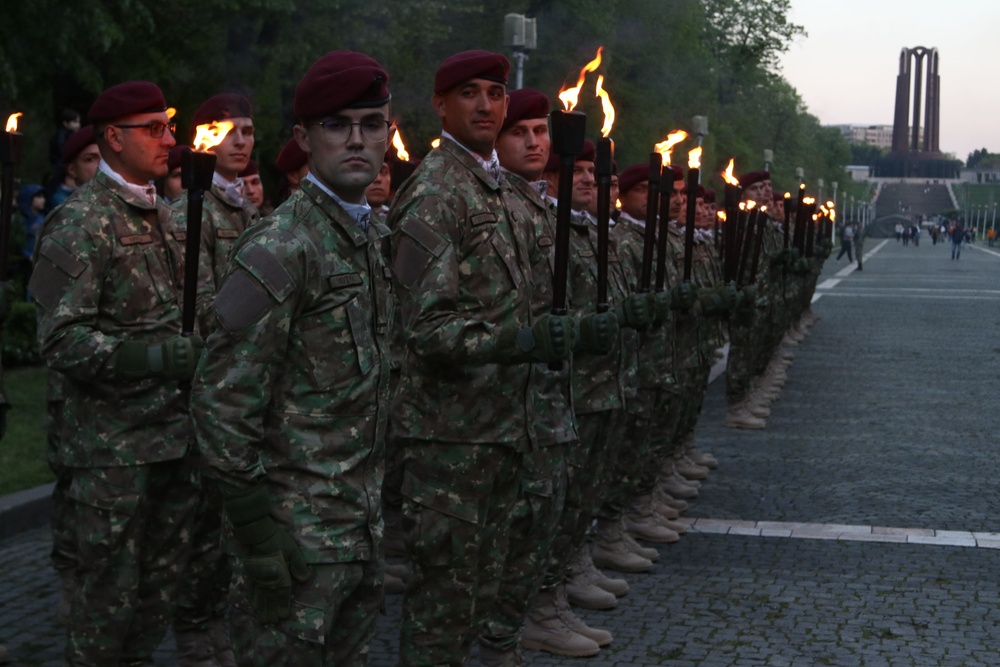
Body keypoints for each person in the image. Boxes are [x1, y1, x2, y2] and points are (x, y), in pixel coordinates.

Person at [190, 50, 395, 666]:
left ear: (389, 131)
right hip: (294, 540)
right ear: (305, 139)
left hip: (359, 528)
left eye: (371, 123)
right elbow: (221, 404)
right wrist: (256, 534)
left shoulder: (371, 240)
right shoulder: (282, 246)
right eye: (337, 125)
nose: (356, 139)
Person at [388, 50, 574, 666]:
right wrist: (518, 344)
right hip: (450, 440)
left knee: (485, 597)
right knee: (444, 607)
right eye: (469, 93)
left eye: (495, 92)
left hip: (505, 430)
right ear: (440, 105)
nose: (487, 105)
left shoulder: (501, 190)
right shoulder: (435, 192)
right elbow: (422, 328)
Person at [29, 80, 202, 665]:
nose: (169, 140)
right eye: (153, 129)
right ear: (112, 138)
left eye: (168, 126)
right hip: (110, 453)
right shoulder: (79, 223)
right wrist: (149, 358)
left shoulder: (173, 220)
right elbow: (58, 339)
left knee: (155, 603)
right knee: (106, 610)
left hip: (173, 443)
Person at [46, 125, 100, 211]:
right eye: (90, 159)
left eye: (106, 158)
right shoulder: (69, 214)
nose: (101, 165)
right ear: (72, 170)